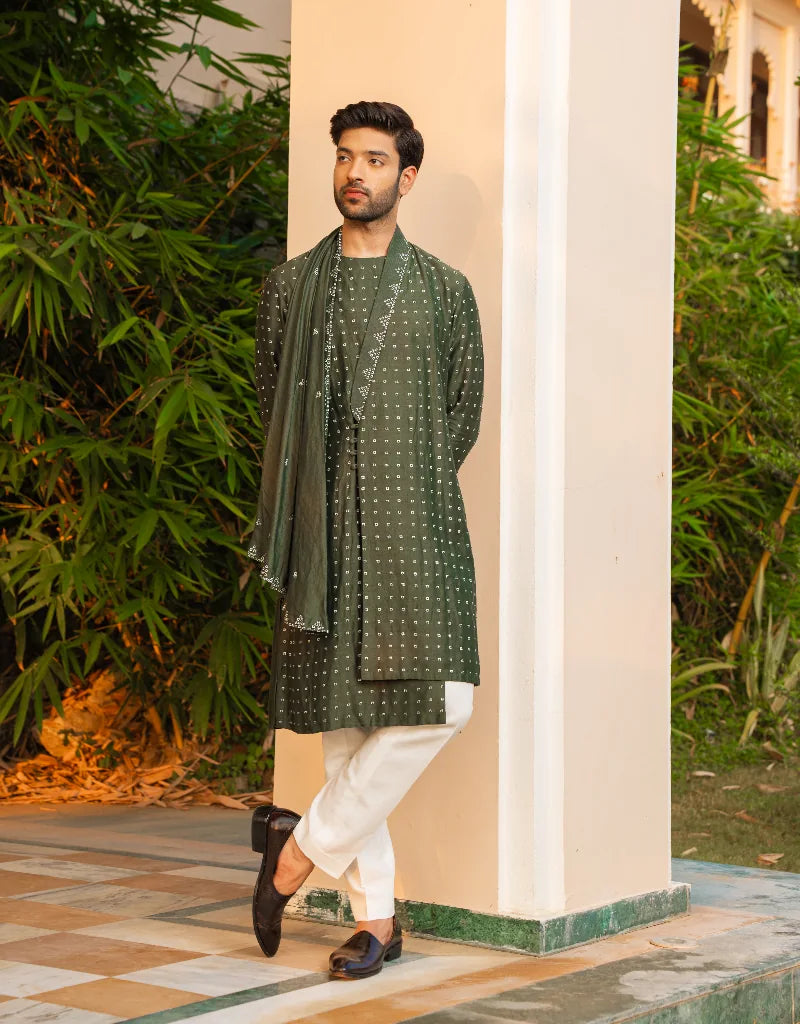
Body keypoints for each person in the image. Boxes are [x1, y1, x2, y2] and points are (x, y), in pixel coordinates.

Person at [248, 100, 484, 981]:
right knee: (348, 732)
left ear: (406, 176)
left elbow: (460, 414)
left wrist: (400, 480)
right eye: (346, 157)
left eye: (376, 160)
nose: (357, 173)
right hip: (321, 530)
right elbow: (274, 401)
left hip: (415, 523)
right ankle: (378, 921)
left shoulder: (444, 290)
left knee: (443, 704)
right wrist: (329, 495)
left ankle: (292, 852)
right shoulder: (291, 286)